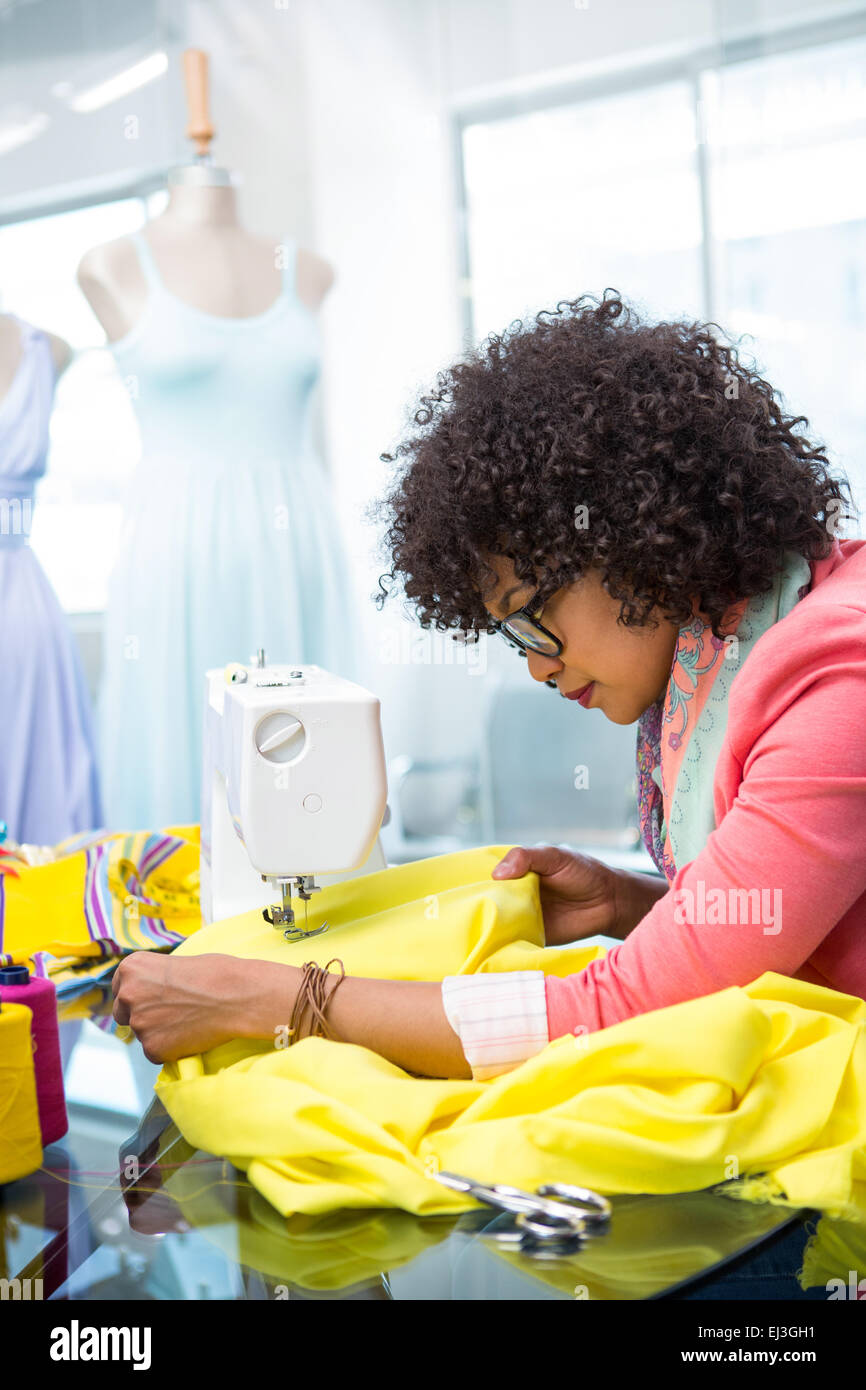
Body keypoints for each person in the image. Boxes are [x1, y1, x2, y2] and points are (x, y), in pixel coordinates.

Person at [112, 289, 866, 1087]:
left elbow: (623, 1016)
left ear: (635, 538)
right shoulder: (741, 638)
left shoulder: (836, 675)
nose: (538, 667)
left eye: (529, 618)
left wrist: (285, 1000)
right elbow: (800, 937)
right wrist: (632, 904)